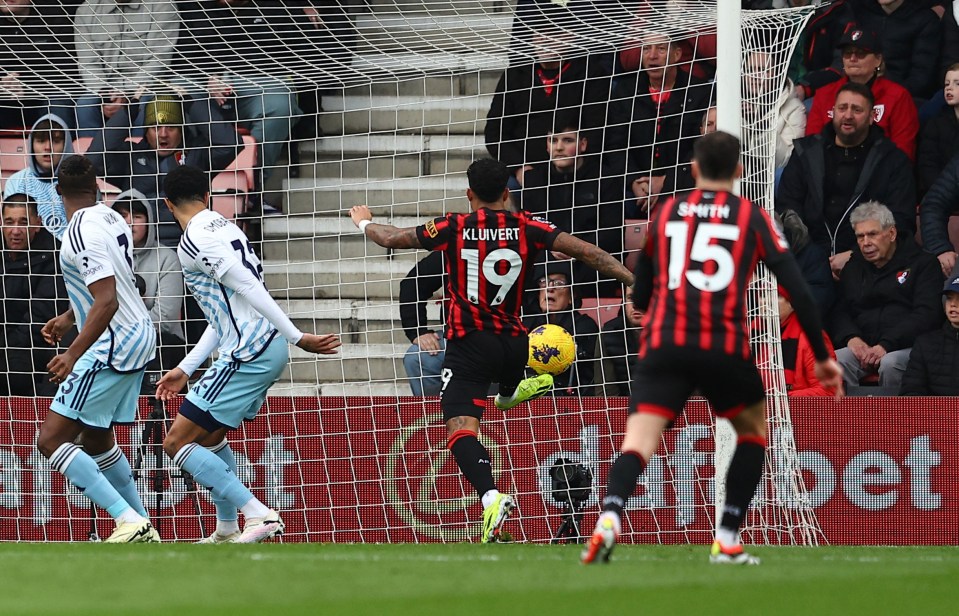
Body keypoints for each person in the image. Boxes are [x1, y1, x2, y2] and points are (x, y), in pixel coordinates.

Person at [581, 131, 842, 566]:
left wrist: (647, 304)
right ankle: (727, 536)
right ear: (739, 171)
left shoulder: (666, 213)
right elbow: (798, 289)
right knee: (753, 433)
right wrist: (823, 356)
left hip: (665, 343)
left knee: (639, 443)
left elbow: (642, 286)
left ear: (694, 170)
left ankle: (610, 514)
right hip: (722, 344)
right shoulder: (752, 217)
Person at [349, 158, 634, 544]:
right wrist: (634, 281)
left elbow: (391, 238)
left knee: (460, 428)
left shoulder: (454, 226)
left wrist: (363, 221)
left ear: (469, 194)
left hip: (469, 344)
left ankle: (490, 496)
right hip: (517, 343)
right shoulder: (531, 226)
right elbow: (588, 253)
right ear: (507, 192)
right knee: (501, 392)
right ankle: (511, 392)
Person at [155, 165, 341, 544]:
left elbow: (249, 287)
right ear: (207, 196)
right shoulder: (227, 227)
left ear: (167, 204)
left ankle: (258, 514)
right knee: (209, 438)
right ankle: (226, 528)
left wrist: (297, 335)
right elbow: (225, 310)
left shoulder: (193, 240)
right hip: (261, 345)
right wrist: (186, 367)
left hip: (249, 350)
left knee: (176, 442)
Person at [35, 155, 159, 543]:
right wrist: (70, 317)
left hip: (113, 341)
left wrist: (73, 352)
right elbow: (115, 282)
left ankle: (127, 520)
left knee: (51, 440)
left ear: (57, 191)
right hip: (139, 333)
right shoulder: (111, 218)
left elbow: (107, 301)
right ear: (97, 187)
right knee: (96, 437)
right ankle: (143, 523)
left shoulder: (77, 231)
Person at [777, 82, 916, 280]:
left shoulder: (892, 160)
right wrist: (814, 259)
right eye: (842, 108)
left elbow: (901, 221)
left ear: (871, 117)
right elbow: (788, 210)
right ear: (833, 112)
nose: (848, 115)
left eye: (857, 109)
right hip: (808, 265)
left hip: (870, 268)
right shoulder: (805, 153)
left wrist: (855, 256)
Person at [484, 5, 611, 192]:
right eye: (539, 33)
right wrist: (520, 167)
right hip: (525, 171)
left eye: (554, 33)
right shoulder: (515, 75)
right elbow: (495, 133)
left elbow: (597, 129)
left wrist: (571, 164)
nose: (545, 40)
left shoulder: (591, 73)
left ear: (571, 36)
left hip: (577, 169)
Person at [88, 93, 240, 246]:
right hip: (139, 249)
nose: (163, 134)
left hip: (189, 246)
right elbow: (93, 160)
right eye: (155, 127)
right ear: (145, 131)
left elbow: (231, 144)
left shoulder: (198, 155)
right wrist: (128, 113)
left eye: (171, 127)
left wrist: (192, 105)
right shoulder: (130, 156)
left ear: (182, 129)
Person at [830, 201, 944, 393]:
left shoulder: (924, 264)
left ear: (891, 233)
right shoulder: (853, 266)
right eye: (860, 236)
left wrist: (887, 344)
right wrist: (852, 338)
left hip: (906, 347)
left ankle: (895, 422)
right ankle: (847, 421)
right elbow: (839, 309)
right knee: (836, 360)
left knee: (891, 364)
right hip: (864, 346)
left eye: (872, 234)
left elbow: (927, 314)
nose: (866, 243)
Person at [606, 33, 714, 215]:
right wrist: (634, 181)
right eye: (646, 49)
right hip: (634, 186)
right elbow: (614, 145)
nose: (652, 55)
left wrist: (666, 181)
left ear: (677, 54)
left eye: (661, 49)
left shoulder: (700, 91)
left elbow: (700, 147)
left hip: (683, 184)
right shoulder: (625, 91)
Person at [519, 116, 625, 298]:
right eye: (553, 140)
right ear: (547, 145)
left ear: (583, 144)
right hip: (547, 258)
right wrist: (553, 246)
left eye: (567, 140)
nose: (559, 147)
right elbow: (526, 229)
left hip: (590, 261)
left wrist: (573, 247)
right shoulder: (534, 179)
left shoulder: (606, 178)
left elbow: (613, 233)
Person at [804, 28, 919, 160]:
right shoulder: (824, 94)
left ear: (878, 60)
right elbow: (811, 145)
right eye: (847, 53)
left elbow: (903, 152)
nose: (853, 58)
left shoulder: (898, 96)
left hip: (879, 172)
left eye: (861, 53)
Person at [73, 0, 181, 138]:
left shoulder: (162, 5)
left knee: (144, 103)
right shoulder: (86, 11)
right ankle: (92, 158)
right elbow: (88, 63)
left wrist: (128, 92)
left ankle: (139, 157)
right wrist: (105, 94)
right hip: (105, 87)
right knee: (85, 104)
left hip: (147, 85)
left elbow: (159, 59)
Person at [0, 194, 71, 396]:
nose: (15, 231)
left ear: (38, 224)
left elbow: (39, 318)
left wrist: (6, 348)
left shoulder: (54, 258)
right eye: (9, 222)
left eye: (24, 222)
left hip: (33, 348)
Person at [111, 190, 187, 376]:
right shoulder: (103, 257)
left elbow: (165, 319)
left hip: (158, 340)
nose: (129, 223)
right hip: (111, 339)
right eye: (122, 216)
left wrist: (123, 331)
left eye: (136, 216)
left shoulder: (167, 258)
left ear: (149, 221)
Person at [523, 263, 598, 396]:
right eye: (544, 282)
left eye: (559, 283)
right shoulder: (525, 324)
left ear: (572, 296)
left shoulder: (584, 326)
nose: (550, 288)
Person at [0, 1, 77, 130]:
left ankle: (55, 149)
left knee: (58, 102)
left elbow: (66, 70)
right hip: (4, 92)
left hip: (44, 93)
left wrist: (26, 85)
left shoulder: (54, 19)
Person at [2, 114, 75, 241]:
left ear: (66, 145)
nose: (48, 147)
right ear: (31, 145)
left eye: (56, 141)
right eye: (41, 141)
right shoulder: (16, 181)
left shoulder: (79, 179)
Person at [775, 288, 841, 397]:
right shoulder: (752, 332)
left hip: (802, 411)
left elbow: (829, 391)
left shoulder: (811, 337)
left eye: (778, 296)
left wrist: (781, 398)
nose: (766, 301)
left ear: (792, 303)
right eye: (763, 295)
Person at [900, 276, 959, 396]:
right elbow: (911, 390)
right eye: (949, 298)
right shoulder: (926, 343)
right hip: (935, 413)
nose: (953, 304)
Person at [400, 251, 446, 397]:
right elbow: (412, 283)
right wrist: (417, 331)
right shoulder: (458, 246)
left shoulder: (517, 247)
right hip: (459, 340)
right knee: (417, 358)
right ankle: (435, 416)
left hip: (510, 338)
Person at [599, 285, 643, 397]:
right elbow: (606, 393)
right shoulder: (610, 333)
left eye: (643, 297)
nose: (636, 305)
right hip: (624, 410)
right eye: (630, 298)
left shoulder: (675, 332)